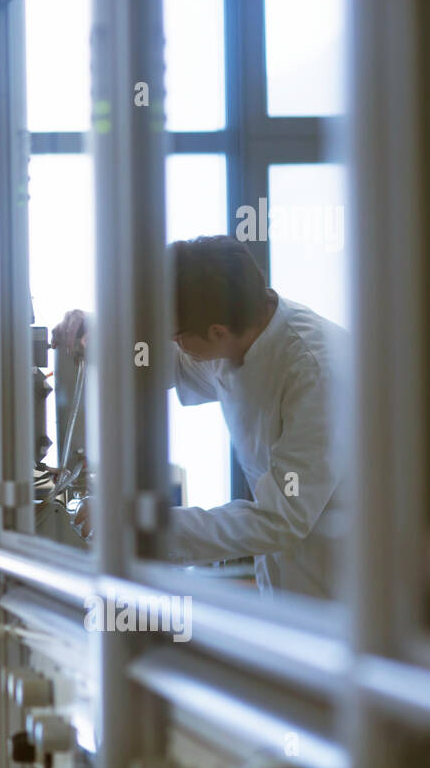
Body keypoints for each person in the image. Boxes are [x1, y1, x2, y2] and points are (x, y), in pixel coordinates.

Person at [51, 235, 348, 598]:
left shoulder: (317, 371)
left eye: (176, 335)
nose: (172, 344)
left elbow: (282, 517)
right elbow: (161, 362)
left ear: (216, 332)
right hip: (289, 579)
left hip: (344, 586)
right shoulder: (239, 330)